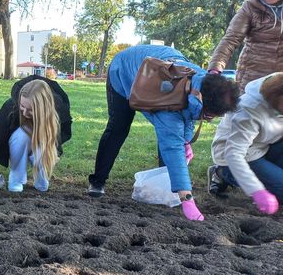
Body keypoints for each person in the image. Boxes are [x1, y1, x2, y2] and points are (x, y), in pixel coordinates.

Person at [88, 44, 240, 222]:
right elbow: (172, 146)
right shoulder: (168, 104)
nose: (208, 120)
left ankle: (166, 188)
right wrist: (188, 200)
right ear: (201, 101)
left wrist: (186, 140)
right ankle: (97, 181)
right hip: (124, 69)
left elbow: (189, 113)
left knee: (172, 138)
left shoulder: (203, 83)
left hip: (153, 66)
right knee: (119, 127)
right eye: (208, 115)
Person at [0, 75, 72, 196]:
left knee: (42, 152)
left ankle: (41, 174)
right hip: (16, 146)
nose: (25, 113)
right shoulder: (10, 108)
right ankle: (16, 179)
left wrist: (49, 153)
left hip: (43, 145)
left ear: (43, 109)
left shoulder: (58, 111)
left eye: (30, 110)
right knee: (20, 135)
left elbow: (61, 137)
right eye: (22, 106)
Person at [208, 72, 283, 214]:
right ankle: (222, 173)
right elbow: (234, 154)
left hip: (268, 143)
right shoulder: (249, 109)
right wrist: (257, 190)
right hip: (239, 152)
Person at [208, 0, 283, 93]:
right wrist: (215, 68)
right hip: (252, 79)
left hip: (280, 82)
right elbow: (231, 39)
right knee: (245, 112)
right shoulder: (249, 8)